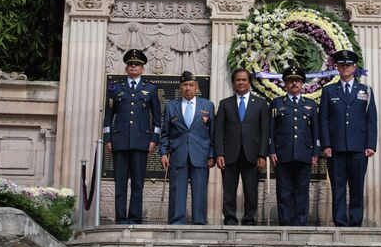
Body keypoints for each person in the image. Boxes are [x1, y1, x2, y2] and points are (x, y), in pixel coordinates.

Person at [319, 50, 377, 227]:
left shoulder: (365, 90)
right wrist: (326, 144)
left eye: (348, 65)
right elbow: (324, 119)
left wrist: (371, 144)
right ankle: (340, 222)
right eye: (342, 65)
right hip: (335, 148)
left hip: (358, 147)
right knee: (338, 187)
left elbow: (371, 119)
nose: (345, 68)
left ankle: (356, 221)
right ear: (337, 67)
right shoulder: (329, 90)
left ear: (354, 67)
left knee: (357, 186)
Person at [103, 49, 161, 224]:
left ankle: (135, 217)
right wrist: (108, 138)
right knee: (120, 182)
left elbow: (157, 118)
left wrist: (154, 140)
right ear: (126, 68)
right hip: (119, 141)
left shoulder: (150, 88)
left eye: (137, 65)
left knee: (137, 183)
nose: (134, 67)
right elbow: (108, 115)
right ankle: (121, 217)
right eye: (130, 64)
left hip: (141, 141)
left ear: (143, 69)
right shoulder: (115, 87)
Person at [214, 68, 270, 225]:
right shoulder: (225, 104)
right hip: (229, 154)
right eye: (238, 80)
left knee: (251, 190)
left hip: (252, 154)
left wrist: (262, 154)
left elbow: (265, 132)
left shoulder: (260, 104)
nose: (241, 82)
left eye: (244, 79)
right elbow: (219, 131)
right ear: (233, 83)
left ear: (249, 82)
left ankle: (249, 219)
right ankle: (230, 219)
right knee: (229, 190)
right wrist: (219, 153)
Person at [159, 71, 215, 225]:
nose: (188, 88)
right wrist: (163, 152)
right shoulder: (171, 106)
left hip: (201, 154)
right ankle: (177, 222)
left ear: (197, 87)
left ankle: (199, 222)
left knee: (200, 190)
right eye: (185, 85)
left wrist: (212, 154)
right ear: (180, 87)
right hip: (178, 153)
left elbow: (212, 133)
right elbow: (165, 133)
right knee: (177, 190)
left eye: (191, 85)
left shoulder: (208, 105)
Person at [269, 66, 320, 226]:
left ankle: (300, 224)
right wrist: (271, 151)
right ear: (285, 84)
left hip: (303, 154)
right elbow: (271, 131)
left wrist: (315, 152)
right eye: (290, 81)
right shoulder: (277, 104)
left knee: (301, 191)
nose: (294, 84)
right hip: (282, 154)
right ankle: (285, 223)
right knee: (284, 191)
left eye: (297, 81)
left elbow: (315, 132)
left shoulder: (310, 105)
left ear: (303, 84)